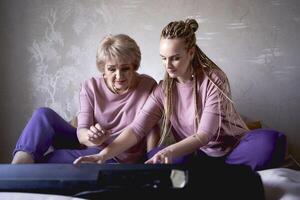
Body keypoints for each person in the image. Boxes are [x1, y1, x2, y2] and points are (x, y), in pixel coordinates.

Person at [74, 19, 286, 171]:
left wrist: (168, 151)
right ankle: (214, 176)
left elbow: (204, 135)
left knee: (270, 141)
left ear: (191, 53)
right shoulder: (162, 90)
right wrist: (103, 155)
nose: (168, 65)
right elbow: (136, 130)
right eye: (163, 58)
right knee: (169, 166)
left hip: (234, 151)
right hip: (200, 156)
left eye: (175, 58)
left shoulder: (214, 79)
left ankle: (218, 174)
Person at [11, 34, 160, 164]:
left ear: (134, 66)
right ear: (103, 68)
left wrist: (150, 161)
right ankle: (16, 167)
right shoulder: (91, 86)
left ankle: (23, 172)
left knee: (52, 160)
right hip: (88, 144)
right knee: (43, 114)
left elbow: (151, 128)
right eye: (112, 69)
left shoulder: (148, 86)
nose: (119, 76)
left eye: (125, 68)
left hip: (115, 157)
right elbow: (82, 131)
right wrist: (92, 138)